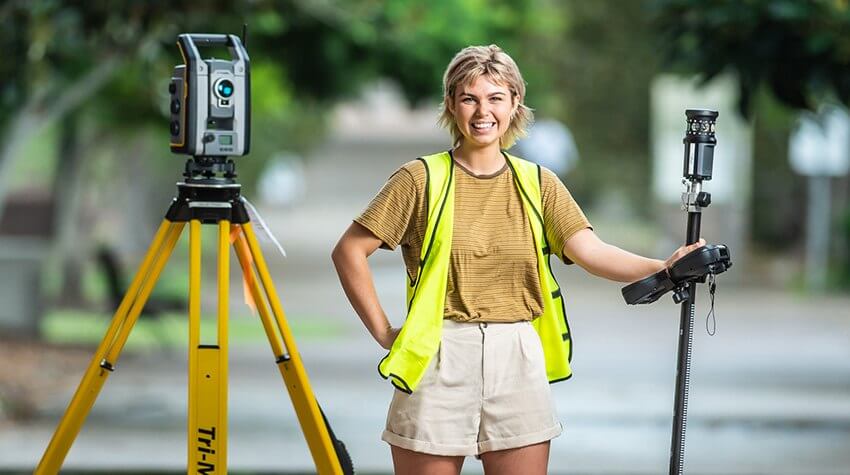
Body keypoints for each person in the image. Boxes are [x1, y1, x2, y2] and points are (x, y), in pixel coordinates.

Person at [331, 44, 704, 475]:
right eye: (469, 98)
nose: (482, 111)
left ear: (514, 105)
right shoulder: (419, 179)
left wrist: (665, 265)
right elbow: (349, 251)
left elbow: (591, 252)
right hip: (441, 355)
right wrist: (382, 331)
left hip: (518, 358)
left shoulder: (539, 183)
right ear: (451, 104)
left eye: (495, 98)